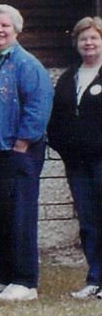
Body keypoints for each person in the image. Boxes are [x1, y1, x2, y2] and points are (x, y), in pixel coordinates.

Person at [0, 3, 52, 301]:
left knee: (18, 216)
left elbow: (38, 107)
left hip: (15, 152)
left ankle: (25, 281)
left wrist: (22, 143)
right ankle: (1, 277)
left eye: (6, 26)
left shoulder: (26, 64)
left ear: (16, 30)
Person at [48, 16, 102, 301]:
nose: (89, 43)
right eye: (84, 39)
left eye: (94, 38)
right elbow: (56, 119)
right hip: (78, 164)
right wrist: (63, 148)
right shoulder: (69, 77)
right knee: (89, 221)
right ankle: (94, 278)